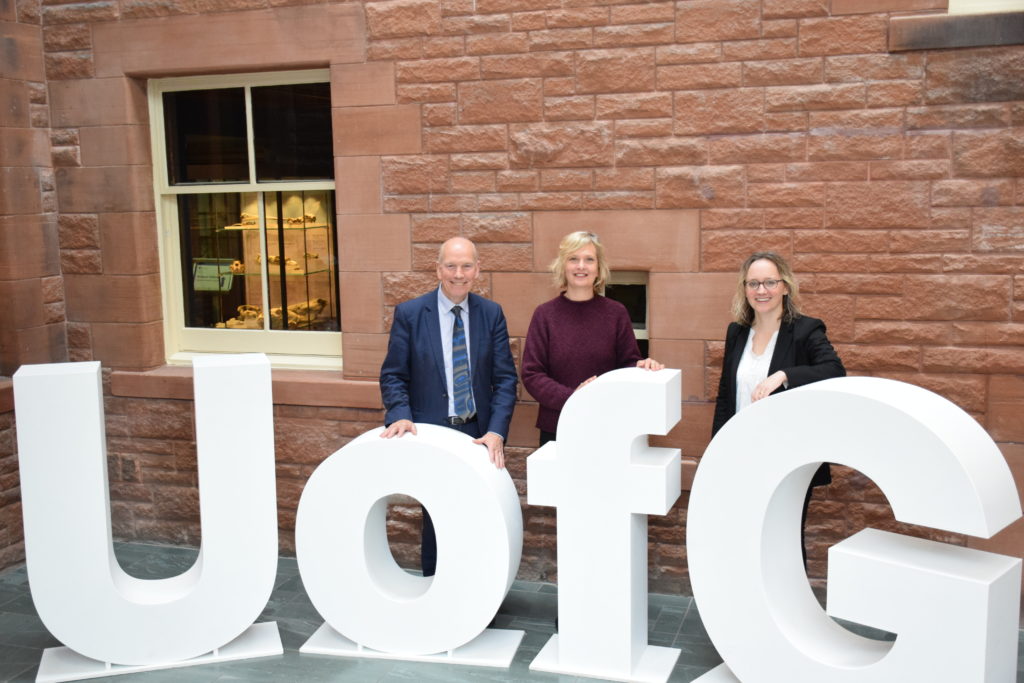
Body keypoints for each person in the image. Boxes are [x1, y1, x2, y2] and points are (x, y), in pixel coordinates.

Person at [379, 236, 518, 577]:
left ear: (478, 269)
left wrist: (496, 431)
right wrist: (400, 415)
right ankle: (435, 598)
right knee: (437, 518)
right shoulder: (411, 314)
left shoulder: (491, 314)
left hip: (477, 436)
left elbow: (505, 380)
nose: (459, 274)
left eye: (467, 266)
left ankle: (478, 599)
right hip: (430, 434)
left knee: (478, 518)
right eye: (452, 266)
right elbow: (394, 375)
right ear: (438, 268)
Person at [711, 251, 845, 563]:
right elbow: (725, 397)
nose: (762, 290)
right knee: (743, 533)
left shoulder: (806, 331)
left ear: (785, 286)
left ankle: (784, 606)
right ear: (744, 289)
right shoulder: (737, 332)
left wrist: (784, 375)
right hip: (742, 454)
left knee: (782, 537)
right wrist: (718, 451)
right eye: (754, 283)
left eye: (770, 282)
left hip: (786, 456)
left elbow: (835, 371)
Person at [522, 231, 663, 447]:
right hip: (558, 427)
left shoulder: (616, 313)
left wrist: (642, 366)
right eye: (573, 259)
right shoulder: (545, 315)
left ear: (598, 268)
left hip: (607, 426)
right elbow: (532, 374)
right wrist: (573, 398)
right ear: (563, 266)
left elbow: (627, 364)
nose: (581, 266)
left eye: (589, 259)